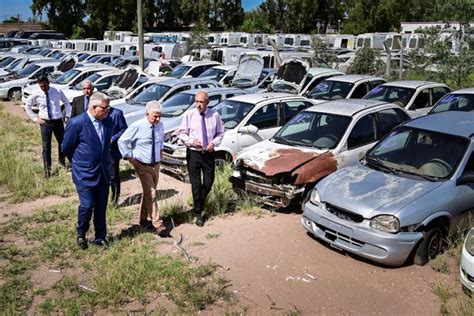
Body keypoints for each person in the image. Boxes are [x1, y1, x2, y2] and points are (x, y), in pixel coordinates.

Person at [61, 92, 114, 249]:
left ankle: (100, 237)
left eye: (108, 107)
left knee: (101, 206)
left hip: (103, 172)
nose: (108, 111)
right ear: (93, 107)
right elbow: (66, 148)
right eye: (105, 108)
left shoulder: (108, 122)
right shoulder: (77, 123)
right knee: (87, 205)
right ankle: (81, 233)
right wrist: (80, 163)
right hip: (84, 173)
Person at [118, 101, 167, 236]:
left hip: (155, 165)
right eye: (154, 116)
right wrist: (130, 158)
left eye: (159, 116)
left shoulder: (160, 125)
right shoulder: (137, 126)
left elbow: (161, 140)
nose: (157, 119)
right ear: (147, 114)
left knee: (148, 194)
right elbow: (122, 141)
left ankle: (143, 219)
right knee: (151, 194)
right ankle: (158, 224)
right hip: (142, 165)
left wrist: (160, 153)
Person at [177, 91, 224, 227]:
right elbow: (181, 133)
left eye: (201, 102)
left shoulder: (214, 115)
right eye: (196, 101)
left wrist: (213, 143)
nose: (198, 104)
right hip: (194, 153)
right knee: (196, 184)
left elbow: (220, 132)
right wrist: (192, 141)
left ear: (207, 102)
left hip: (208, 154)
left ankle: (199, 202)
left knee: (208, 182)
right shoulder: (189, 115)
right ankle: (199, 213)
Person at [25, 75, 71, 178]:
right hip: (45, 123)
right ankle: (47, 170)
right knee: (46, 147)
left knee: (62, 143)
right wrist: (35, 118)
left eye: (45, 86)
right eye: (41, 86)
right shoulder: (36, 94)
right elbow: (27, 106)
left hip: (58, 121)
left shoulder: (57, 91)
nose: (43, 88)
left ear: (48, 83)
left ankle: (62, 162)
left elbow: (67, 103)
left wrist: (67, 115)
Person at [107, 106, 127, 205]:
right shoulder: (93, 112)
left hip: (112, 150)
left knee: (113, 175)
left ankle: (115, 200)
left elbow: (123, 128)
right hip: (98, 150)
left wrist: (113, 138)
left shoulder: (117, 113)